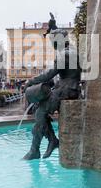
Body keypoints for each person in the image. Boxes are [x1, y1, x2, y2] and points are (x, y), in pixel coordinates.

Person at [23, 16, 81, 161]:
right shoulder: (71, 51)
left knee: (40, 113)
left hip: (67, 89)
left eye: (53, 41)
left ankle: (37, 149)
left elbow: (49, 74)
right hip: (68, 88)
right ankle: (50, 141)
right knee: (39, 109)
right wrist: (53, 27)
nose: (52, 44)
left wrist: (31, 81)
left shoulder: (64, 54)